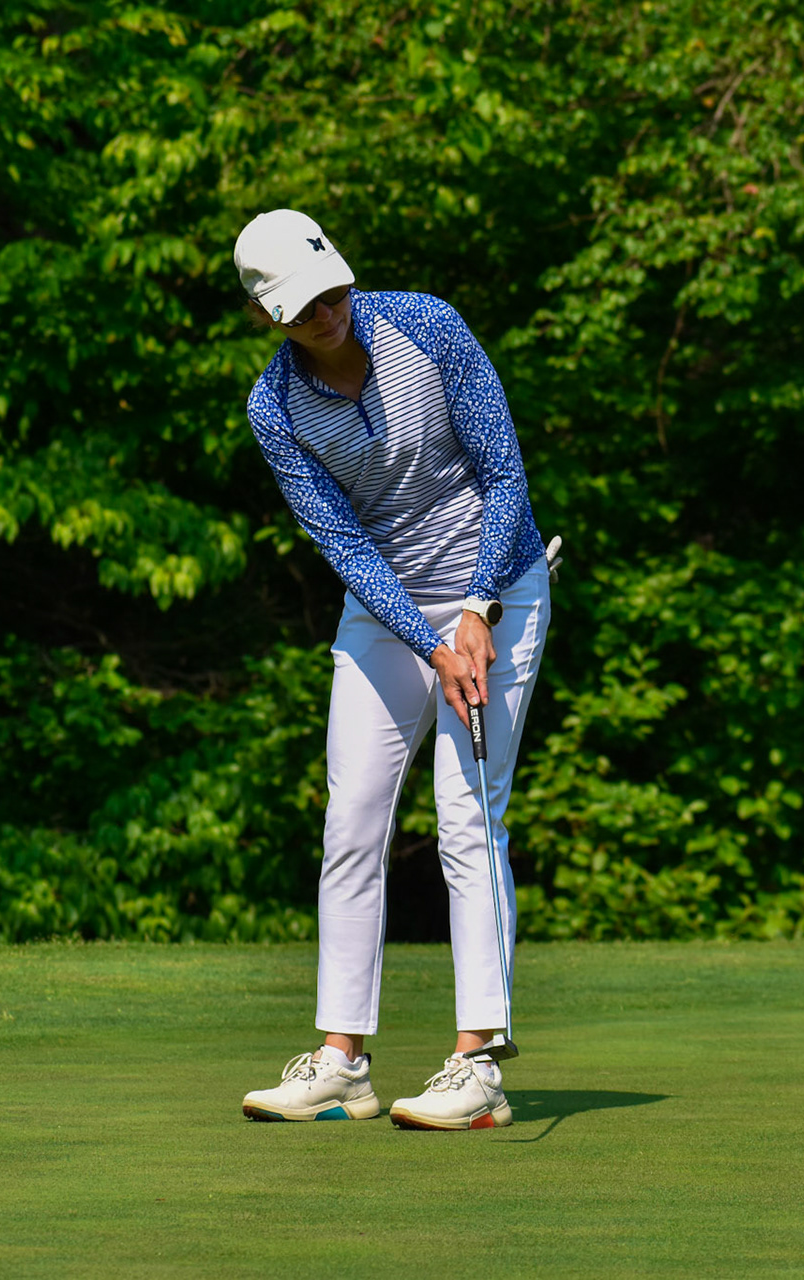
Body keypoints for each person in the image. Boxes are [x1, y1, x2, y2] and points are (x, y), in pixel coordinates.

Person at [232, 209, 555, 1131]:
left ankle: (478, 1066)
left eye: (331, 290)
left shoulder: (427, 324)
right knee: (352, 819)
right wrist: (430, 640)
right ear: (267, 317)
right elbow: (343, 543)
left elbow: (504, 473)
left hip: (501, 587)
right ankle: (342, 1064)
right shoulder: (274, 408)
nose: (326, 312)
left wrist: (477, 610)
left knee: (466, 815)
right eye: (302, 307)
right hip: (387, 607)